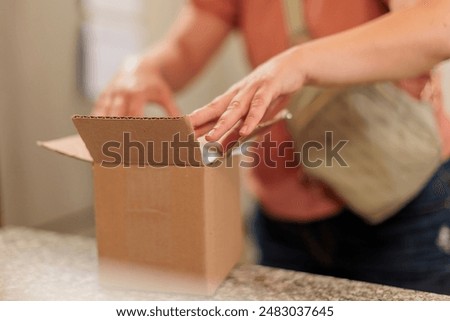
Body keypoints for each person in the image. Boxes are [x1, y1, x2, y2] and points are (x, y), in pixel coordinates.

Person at [94, 0, 450, 294]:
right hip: (281, 210)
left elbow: (438, 24)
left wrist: (300, 61)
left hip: (404, 204)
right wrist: (138, 69)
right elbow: (185, 47)